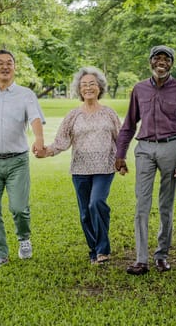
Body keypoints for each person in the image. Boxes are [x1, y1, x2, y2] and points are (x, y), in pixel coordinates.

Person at [115, 45, 176, 275]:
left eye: (166, 59)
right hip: (145, 149)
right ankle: (141, 259)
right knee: (142, 204)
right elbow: (129, 124)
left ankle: (161, 254)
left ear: (171, 63)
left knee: (166, 205)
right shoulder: (139, 89)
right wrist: (120, 154)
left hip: (171, 148)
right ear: (150, 62)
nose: (161, 62)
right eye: (157, 58)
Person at [34, 67, 121, 265]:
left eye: (92, 84)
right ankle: (94, 250)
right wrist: (45, 151)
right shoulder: (73, 115)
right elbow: (61, 141)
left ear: (99, 88)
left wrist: (121, 160)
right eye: (84, 85)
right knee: (84, 213)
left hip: (104, 168)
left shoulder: (109, 113)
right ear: (79, 90)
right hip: (80, 169)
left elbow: (120, 138)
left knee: (96, 203)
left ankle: (103, 249)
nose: (88, 88)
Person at [0, 49, 46, 269]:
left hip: (17, 161)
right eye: (0, 63)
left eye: (9, 63)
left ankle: (24, 238)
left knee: (19, 208)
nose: (5, 66)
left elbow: (34, 118)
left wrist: (39, 139)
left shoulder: (26, 94)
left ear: (14, 68)